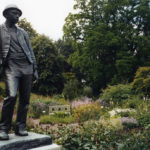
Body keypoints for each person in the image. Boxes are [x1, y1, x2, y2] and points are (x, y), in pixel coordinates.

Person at [0, 4, 38, 140]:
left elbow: (30, 51)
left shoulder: (23, 33)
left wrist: (35, 68)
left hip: (26, 66)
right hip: (11, 66)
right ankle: (3, 128)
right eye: (14, 13)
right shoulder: (0, 30)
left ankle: (20, 127)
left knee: (25, 99)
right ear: (6, 14)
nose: (17, 16)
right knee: (11, 96)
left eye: (19, 14)